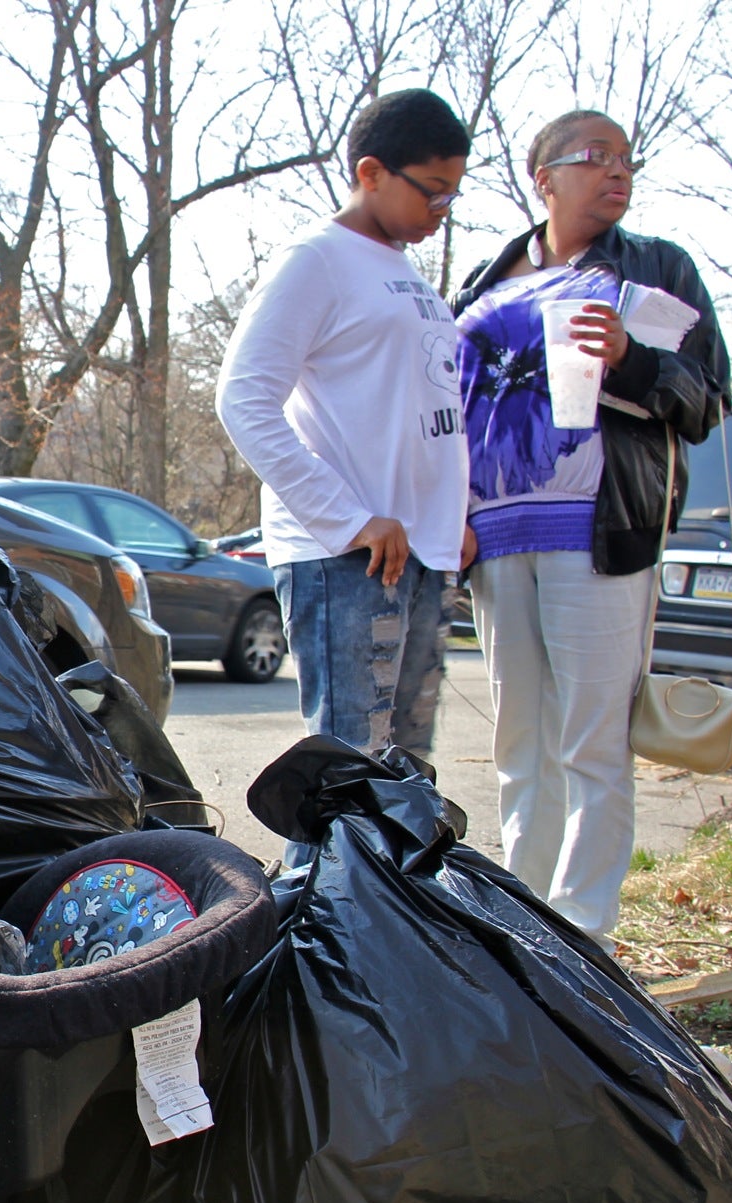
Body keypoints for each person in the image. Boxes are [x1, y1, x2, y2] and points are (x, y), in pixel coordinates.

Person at [450, 110, 730, 947]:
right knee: (519, 744)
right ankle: (524, 928)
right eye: (594, 157)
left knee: (593, 746)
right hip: (497, 539)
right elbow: (448, 411)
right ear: (544, 177)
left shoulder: (657, 268)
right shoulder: (482, 281)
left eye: (626, 160)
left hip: (600, 532)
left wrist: (632, 361)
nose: (618, 171)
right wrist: (450, 514)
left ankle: (585, 942)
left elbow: (708, 401)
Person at [217, 89, 476, 860]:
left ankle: (395, 940)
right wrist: (347, 515)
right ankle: (317, 951)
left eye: (453, 194)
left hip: (421, 553)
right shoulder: (317, 260)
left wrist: (452, 514)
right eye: (431, 190)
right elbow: (243, 398)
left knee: (405, 778)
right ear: (371, 171)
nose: (442, 209)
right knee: (345, 777)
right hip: (348, 555)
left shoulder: (405, 273)